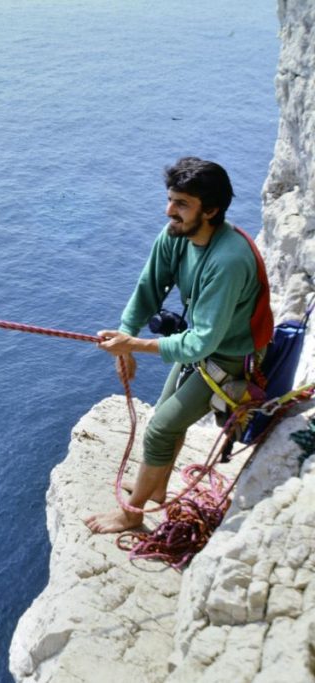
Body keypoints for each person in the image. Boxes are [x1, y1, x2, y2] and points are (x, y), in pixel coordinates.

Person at [84, 157, 272, 534]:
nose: (169, 210)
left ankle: (132, 513)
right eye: (170, 199)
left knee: (160, 429)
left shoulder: (228, 260)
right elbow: (149, 288)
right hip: (206, 346)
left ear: (211, 210)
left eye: (182, 204)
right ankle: (155, 489)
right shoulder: (177, 235)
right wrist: (125, 339)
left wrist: (135, 344)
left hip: (231, 356)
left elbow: (202, 341)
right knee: (166, 419)